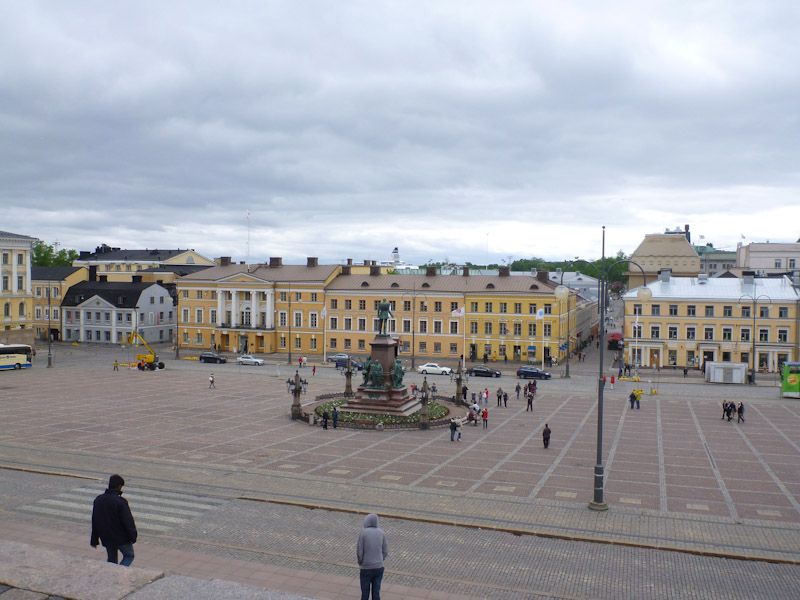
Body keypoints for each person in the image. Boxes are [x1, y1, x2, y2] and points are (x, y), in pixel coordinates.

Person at [90, 474, 137, 566]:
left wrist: (94, 539)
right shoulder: (120, 502)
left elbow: (95, 520)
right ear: (119, 486)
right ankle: (119, 572)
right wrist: (133, 536)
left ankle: (111, 574)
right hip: (121, 537)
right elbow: (128, 521)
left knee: (111, 559)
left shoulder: (98, 500)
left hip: (106, 536)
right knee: (129, 555)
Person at [357, 513, 389, 600]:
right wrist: (380, 559)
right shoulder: (381, 533)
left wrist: (361, 562)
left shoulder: (363, 533)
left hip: (366, 568)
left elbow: (360, 552)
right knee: (376, 593)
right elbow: (385, 551)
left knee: (365, 593)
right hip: (379, 567)